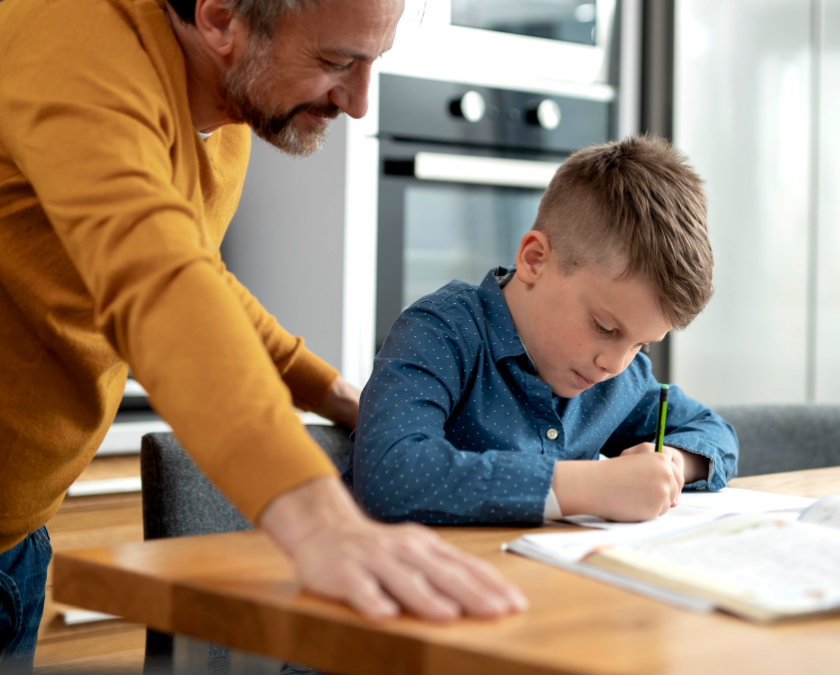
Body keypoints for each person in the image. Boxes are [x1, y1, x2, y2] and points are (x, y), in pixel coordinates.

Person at [0, 0, 526, 668]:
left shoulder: (226, 102)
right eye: (337, 63)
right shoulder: (66, 37)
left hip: (17, 538)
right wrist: (319, 517)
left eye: (373, 64)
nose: (360, 103)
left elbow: (200, 272)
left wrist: (333, 391)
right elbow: (156, 277)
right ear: (221, 20)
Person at [343, 136, 739, 525]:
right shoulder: (441, 332)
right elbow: (391, 474)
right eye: (604, 327)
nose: (615, 364)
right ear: (534, 259)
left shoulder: (614, 376)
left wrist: (673, 463)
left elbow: (715, 433)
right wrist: (591, 486)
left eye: (641, 345)